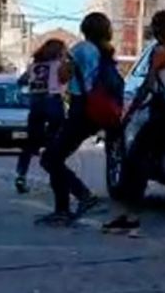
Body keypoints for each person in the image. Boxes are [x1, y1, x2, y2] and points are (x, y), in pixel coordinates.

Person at [103, 10, 165, 234]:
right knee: (152, 163)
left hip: (162, 112)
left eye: (154, 25)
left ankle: (133, 215)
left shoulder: (160, 51)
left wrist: (129, 113)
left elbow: (148, 85)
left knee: (136, 160)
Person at [38, 13, 115, 226]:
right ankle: (62, 209)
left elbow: (62, 76)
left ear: (85, 28)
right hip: (94, 113)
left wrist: (64, 60)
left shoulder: (81, 49)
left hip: (80, 110)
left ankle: (83, 196)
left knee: (50, 159)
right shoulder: (105, 52)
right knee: (56, 157)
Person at [15, 39, 69, 194]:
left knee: (30, 142)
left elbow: (21, 81)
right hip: (52, 101)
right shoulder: (59, 65)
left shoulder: (34, 66)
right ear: (59, 51)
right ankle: (55, 176)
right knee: (56, 142)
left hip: (36, 104)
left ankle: (21, 175)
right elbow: (66, 79)